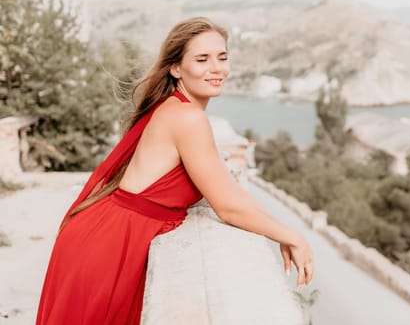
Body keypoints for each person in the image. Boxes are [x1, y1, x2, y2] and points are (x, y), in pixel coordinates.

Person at [36, 16, 314, 324]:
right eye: (202, 59)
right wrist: (292, 237)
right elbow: (227, 207)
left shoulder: (178, 108)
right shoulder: (187, 118)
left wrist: (282, 230)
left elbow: (228, 190)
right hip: (112, 243)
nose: (217, 68)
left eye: (222, 57)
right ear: (176, 68)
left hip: (111, 233)